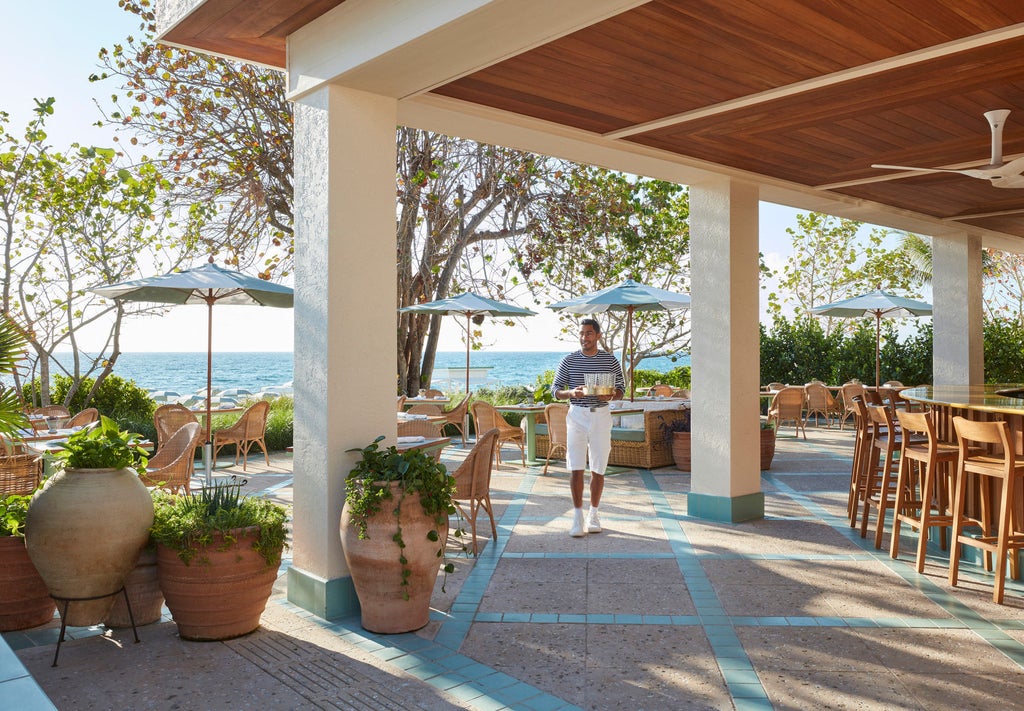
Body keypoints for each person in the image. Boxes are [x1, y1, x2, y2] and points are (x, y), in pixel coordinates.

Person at [552, 318, 625, 537]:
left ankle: (593, 514)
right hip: (576, 415)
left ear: (598, 336)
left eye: (589, 333)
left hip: (601, 415)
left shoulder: (610, 361)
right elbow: (555, 389)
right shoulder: (569, 360)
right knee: (575, 466)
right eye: (582, 333)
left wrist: (611, 394)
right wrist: (571, 393)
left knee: (598, 466)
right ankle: (577, 517)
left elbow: (621, 389)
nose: (585, 337)